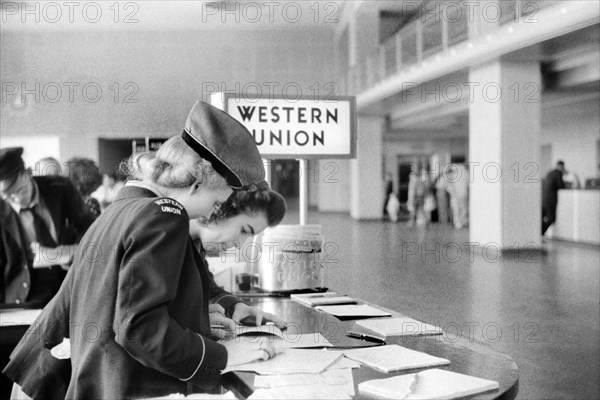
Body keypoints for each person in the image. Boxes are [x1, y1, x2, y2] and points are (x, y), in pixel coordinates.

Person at [4, 101, 279, 399]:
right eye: (216, 202)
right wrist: (225, 360)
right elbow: (139, 328)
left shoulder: (124, 207)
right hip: (127, 387)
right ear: (197, 184)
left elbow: (118, 304)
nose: (212, 212)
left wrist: (194, 315)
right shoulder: (166, 214)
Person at [0, 147, 96, 305]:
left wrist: (69, 252)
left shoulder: (60, 187)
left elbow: (90, 225)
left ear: (29, 173)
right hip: (23, 299)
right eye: (7, 197)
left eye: (20, 191)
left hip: (69, 289)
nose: (16, 199)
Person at [542, 160, 565, 235]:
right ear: (561, 166)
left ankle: (538, 234)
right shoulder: (558, 174)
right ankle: (541, 233)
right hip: (551, 199)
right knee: (551, 218)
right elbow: (561, 186)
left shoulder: (550, 172)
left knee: (543, 217)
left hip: (544, 198)